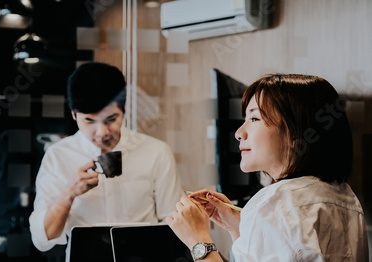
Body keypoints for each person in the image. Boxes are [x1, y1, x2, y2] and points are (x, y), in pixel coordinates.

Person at [167, 74, 369, 261]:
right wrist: (238, 226)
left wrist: (198, 241)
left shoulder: (275, 204)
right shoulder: (346, 197)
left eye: (254, 119)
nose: (239, 133)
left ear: (295, 134)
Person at [29, 62, 184, 260]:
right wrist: (69, 194)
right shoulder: (57, 157)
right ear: (73, 115)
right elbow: (42, 240)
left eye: (111, 119)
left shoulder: (156, 152)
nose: (102, 132)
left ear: (124, 110)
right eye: (89, 121)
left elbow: (174, 223)